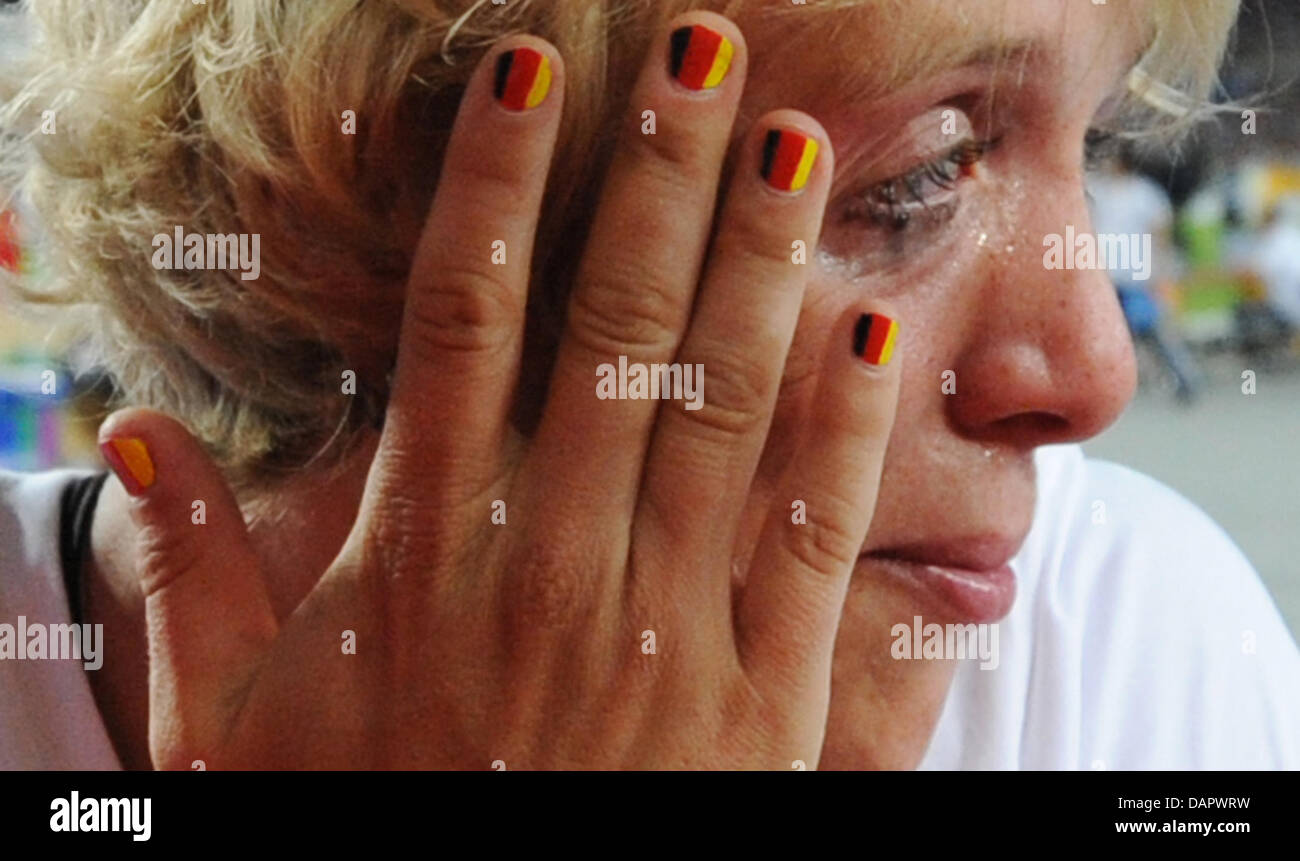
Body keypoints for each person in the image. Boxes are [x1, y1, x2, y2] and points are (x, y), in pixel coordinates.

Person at [1, 0, 1296, 770]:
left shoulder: (1134, 639)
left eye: (1101, 139)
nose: (1092, 372)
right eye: (918, 175)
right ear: (380, 235)